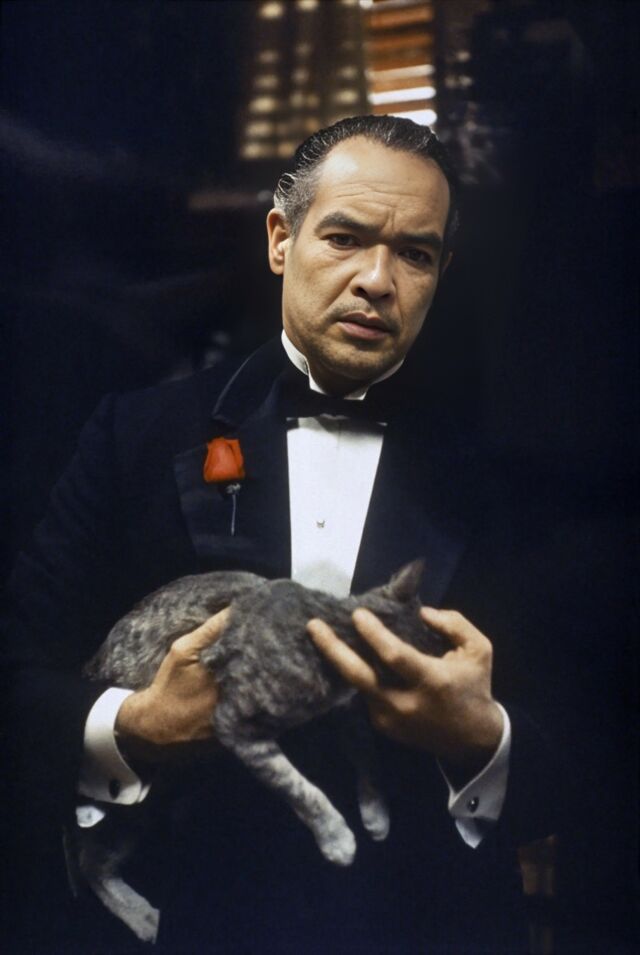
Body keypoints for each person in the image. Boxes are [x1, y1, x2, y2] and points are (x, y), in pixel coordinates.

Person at [4, 116, 564, 954]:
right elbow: (18, 673)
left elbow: (598, 753)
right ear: (279, 239)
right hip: (184, 920)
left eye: (414, 254)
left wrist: (484, 738)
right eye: (345, 237)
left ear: (441, 272)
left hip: (429, 926)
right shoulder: (136, 435)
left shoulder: (510, 474)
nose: (377, 279)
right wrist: (134, 724)